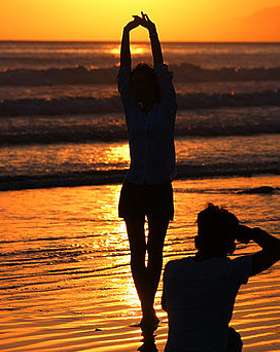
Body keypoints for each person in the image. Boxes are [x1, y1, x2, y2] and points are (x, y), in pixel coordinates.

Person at [128, 204, 280, 352]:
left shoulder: (173, 269)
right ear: (231, 246)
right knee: (231, 339)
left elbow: (166, 306)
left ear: (196, 242)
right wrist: (252, 233)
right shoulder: (231, 270)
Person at [118, 12, 177, 330]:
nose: (136, 89)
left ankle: (150, 307)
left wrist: (153, 33)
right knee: (136, 251)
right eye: (134, 86)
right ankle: (146, 310)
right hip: (133, 186)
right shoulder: (131, 110)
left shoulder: (167, 107)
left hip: (158, 187)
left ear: (151, 86)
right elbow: (122, 75)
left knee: (155, 251)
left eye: (142, 84)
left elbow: (163, 72)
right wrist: (126, 34)